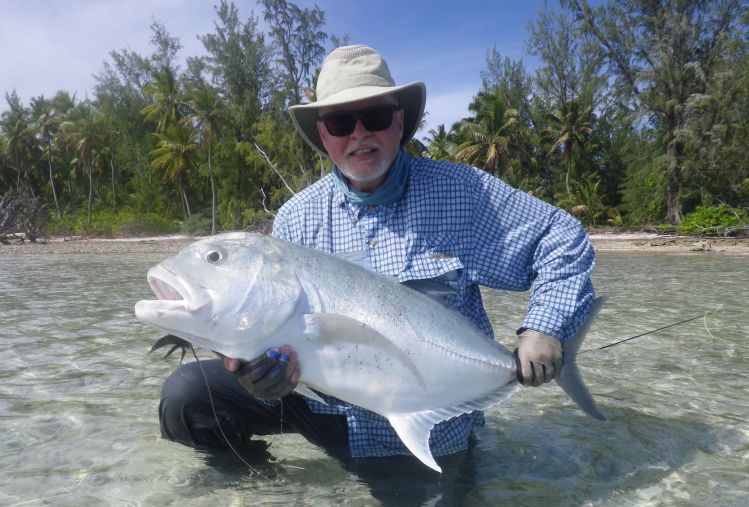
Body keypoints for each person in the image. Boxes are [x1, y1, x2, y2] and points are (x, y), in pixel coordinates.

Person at [158, 45, 595, 469]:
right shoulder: (296, 217)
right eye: (342, 121)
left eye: (377, 117)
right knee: (187, 397)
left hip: (435, 426)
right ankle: (260, 488)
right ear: (323, 134)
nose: (360, 134)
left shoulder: (462, 193)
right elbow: (282, 342)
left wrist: (545, 329)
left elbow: (562, 238)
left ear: (399, 121)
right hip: (330, 415)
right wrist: (263, 381)